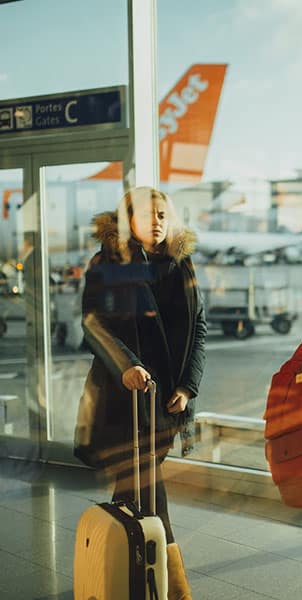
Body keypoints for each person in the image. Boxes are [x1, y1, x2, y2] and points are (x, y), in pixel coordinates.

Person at [78, 186, 207, 600]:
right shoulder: (107, 264)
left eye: (163, 214)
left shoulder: (181, 266)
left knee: (134, 494)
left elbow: (198, 329)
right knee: (146, 489)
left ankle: (121, 576)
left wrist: (188, 386)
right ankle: (173, 591)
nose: (157, 220)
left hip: (167, 403)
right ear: (126, 218)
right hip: (124, 401)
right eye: (148, 213)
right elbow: (93, 323)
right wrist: (127, 364)